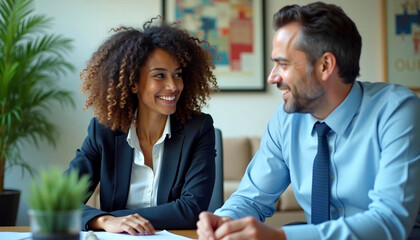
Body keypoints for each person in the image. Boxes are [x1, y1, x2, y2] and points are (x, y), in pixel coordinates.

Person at [196, 2, 420, 240]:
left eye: (283, 64)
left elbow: (390, 222)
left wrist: (280, 237)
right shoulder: (285, 120)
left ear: (325, 66)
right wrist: (225, 219)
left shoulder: (398, 111)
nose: (273, 77)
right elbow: (251, 197)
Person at [65, 18, 218, 235]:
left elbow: (191, 210)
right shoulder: (104, 131)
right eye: (159, 76)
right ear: (133, 83)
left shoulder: (199, 129)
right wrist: (103, 221)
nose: (173, 86)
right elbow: (61, 201)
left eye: (177, 75)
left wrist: (114, 217)